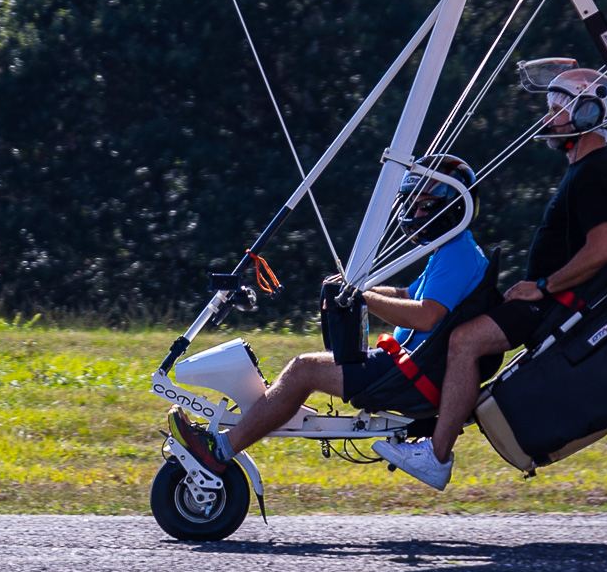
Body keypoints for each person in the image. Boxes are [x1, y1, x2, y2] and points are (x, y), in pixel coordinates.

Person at [373, 60, 607, 490]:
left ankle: (436, 454)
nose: (548, 117)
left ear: (589, 114)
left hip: (557, 303)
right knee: (460, 321)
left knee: (463, 339)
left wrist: (544, 286)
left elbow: (601, 250)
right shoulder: (585, 170)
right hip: (549, 297)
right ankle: (423, 423)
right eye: (549, 106)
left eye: (558, 109)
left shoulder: (596, 172)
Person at [168, 155, 488, 475]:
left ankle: (219, 450)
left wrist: (363, 298)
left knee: (303, 370)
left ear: (452, 209)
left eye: (424, 206)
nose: (415, 214)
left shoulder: (456, 255)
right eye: (413, 205)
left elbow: (426, 316)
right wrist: (361, 290)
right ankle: (274, 407)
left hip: (407, 376)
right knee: (299, 373)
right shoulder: (452, 251)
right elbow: (408, 296)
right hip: (404, 366)